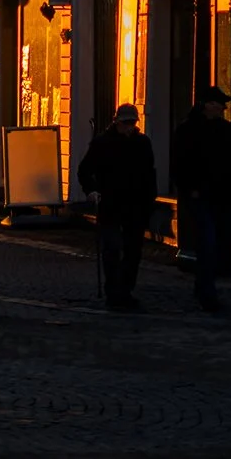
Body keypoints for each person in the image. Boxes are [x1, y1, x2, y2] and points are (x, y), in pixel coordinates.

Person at [78, 102, 158, 310]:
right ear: (116, 122)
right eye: (125, 123)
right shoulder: (102, 143)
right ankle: (113, 292)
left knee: (133, 252)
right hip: (111, 204)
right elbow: (85, 170)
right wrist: (91, 190)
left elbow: (150, 174)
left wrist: (150, 199)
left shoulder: (142, 143)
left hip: (136, 205)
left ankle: (125, 290)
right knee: (112, 249)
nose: (129, 127)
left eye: (132, 123)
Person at [172, 85, 231, 311]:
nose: (223, 107)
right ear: (207, 105)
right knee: (208, 242)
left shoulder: (224, 131)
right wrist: (189, 188)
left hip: (221, 194)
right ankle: (206, 292)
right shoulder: (189, 130)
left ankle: (203, 285)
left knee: (214, 243)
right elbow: (180, 163)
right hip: (200, 194)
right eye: (219, 103)